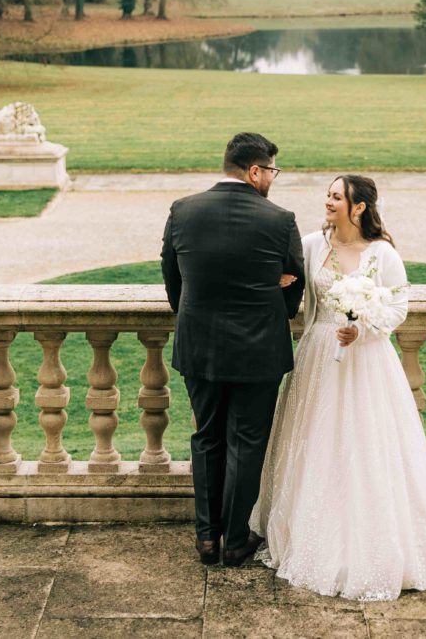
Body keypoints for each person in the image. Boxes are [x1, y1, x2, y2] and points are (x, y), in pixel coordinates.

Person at [249, 174, 426, 601]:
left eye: (337, 197)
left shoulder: (383, 253)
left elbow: (398, 305)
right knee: (315, 440)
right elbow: (292, 287)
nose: (328, 201)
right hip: (318, 355)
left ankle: (373, 536)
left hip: (366, 359)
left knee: (366, 443)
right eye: (328, 195)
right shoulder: (312, 244)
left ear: (359, 207)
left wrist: (364, 328)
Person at [161, 132, 305, 567]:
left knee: (206, 437)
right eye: (272, 171)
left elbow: (173, 280)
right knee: (247, 442)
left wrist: (194, 313)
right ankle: (235, 540)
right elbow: (293, 288)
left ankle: (207, 539)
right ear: (255, 171)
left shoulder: (183, 210)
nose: (273, 179)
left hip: (199, 344)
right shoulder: (280, 220)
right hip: (258, 349)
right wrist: (269, 290)